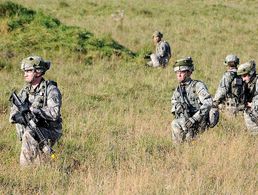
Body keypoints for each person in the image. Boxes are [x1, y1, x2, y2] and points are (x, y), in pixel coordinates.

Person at [9, 56, 62, 166]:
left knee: (30, 136)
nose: (25, 74)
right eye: (24, 71)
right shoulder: (24, 92)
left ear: (38, 72)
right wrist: (18, 117)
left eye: (28, 71)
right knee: (41, 161)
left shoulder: (51, 90)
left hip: (50, 130)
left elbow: (54, 113)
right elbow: (12, 115)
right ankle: (33, 172)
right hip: (32, 129)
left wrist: (34, 111)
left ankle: (25, 173)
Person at [171, 57, 213, 143]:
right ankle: (179, 150)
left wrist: (194, 119)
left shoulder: (197, 85)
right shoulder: (178, 89)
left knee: (175, 124)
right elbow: (173, 101)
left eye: (182, 72)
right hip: (186, 121)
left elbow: (208, 102)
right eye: (177, 72)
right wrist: (177, 107)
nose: (179, 75)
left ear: (189, 72)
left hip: (199, 121)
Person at [237, 60, 258, 135]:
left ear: (251, 73)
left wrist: (251, 104)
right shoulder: (246, 85)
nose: (243, 79)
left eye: (245, 76)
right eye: (242, 76)